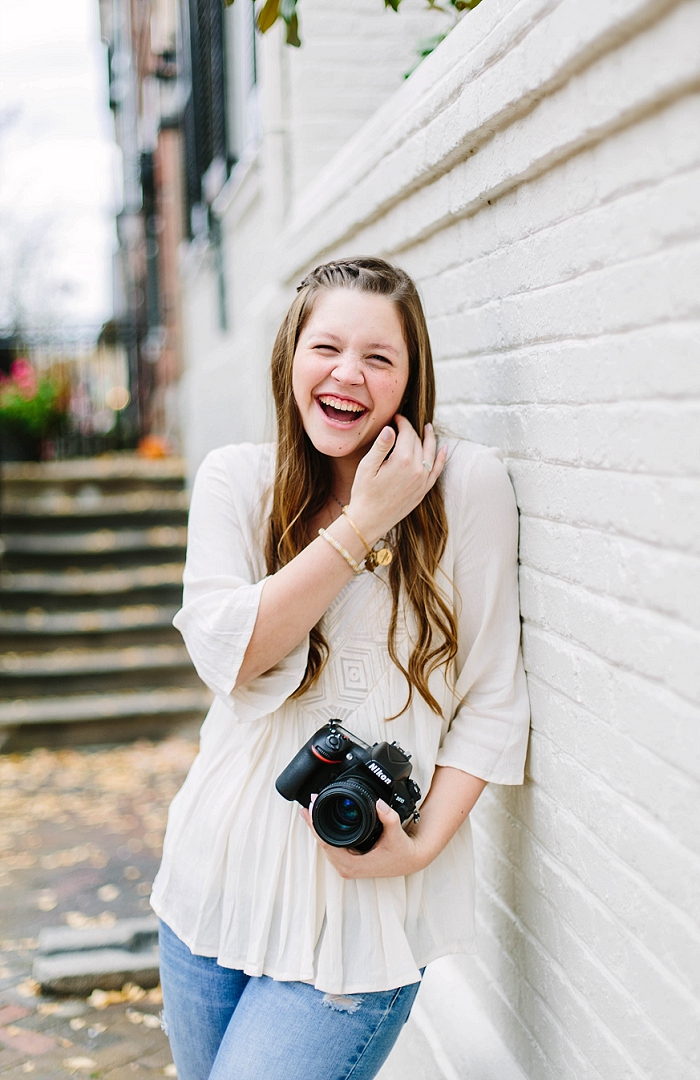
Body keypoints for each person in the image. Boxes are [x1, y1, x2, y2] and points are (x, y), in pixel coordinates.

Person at [151, 257, 530, 1080]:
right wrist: (362, 525)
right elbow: (233, 653)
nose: (347, 374)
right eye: (326, 346)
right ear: (292, 355)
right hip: (209, 879)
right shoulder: (235, 483)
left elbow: (495, 698)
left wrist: (420, 847)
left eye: (379, 358)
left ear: (410, 377)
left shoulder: (467, 487)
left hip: (358, 907)